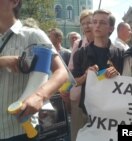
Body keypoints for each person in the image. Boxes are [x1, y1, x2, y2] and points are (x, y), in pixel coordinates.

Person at [0, 0, 68, 140]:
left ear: (14, 2)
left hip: (19, 130)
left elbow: (61, 72)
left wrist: (39, 96)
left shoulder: (33, 35)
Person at [73, 9, 123, 139]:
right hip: (88, 112)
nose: (96, 25)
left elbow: (127, 82)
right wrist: (86, 76)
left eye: (102, 22)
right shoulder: (80, 53)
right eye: (94, 22)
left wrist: (117, 74)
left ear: (111, 28)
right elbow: (72, 82)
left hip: (113, 113)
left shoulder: (120, 54)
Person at [68, 9, 94, 141]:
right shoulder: (77, 45)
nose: (86, 26)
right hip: (78, 99)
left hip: (99, 100)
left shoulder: (106, 45)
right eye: (83, 23)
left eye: (89, 22)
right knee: (78, 134)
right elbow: (70, 72)